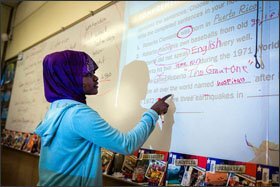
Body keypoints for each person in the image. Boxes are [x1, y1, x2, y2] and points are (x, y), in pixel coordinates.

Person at [34, 50, 171, 186]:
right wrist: (153, 112)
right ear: (68, 77)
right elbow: (127, 145)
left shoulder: (55, 109)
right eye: (88, 74)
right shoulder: (78, 114)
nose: (95, 78)